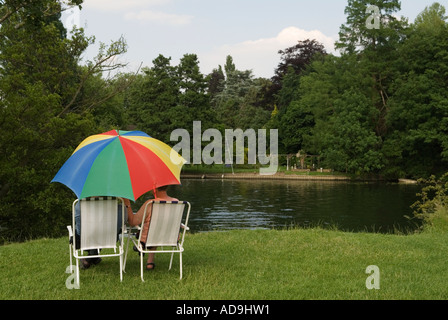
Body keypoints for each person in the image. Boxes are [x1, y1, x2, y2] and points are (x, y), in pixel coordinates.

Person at [124, 185, 178, 270]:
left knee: (152, 229)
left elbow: (133, 222)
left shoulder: (150, 204)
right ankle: (150, 262)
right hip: (170, 238)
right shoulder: (176, 202)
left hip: (149, 239)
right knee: (156, 227)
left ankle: (142, 245)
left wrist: (127, 204)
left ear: (154, 188)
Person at [74, 197, 127, 269]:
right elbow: (126, 220)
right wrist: (127, 205)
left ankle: (91, 257)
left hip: (85, 239)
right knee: (105, 231)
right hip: (109, 237)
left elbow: (80, 232)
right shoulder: (120, 206)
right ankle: (91, 257)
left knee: (92, 232)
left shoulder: (80, 205)